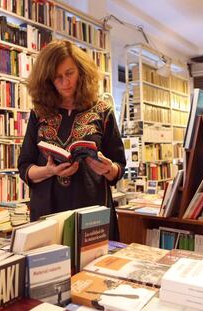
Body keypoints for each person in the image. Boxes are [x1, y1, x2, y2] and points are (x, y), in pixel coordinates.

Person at [18, 40, 126, 240]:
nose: (65, 83)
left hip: (92, 212)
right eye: (57, 77)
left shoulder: (103, 112)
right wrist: (48, 171)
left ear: (81, 72)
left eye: (69, 73)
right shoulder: (38, 114)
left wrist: (108, 169)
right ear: (47, 80)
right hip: (47, 214)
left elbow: (119, 167)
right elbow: (24, 167)